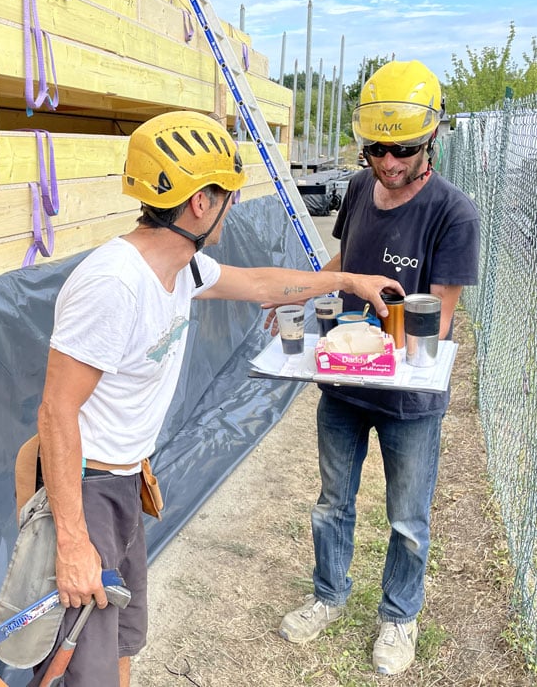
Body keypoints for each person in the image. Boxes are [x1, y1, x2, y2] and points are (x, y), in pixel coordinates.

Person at [31, 110, 404, 686]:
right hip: (86, 488)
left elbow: (257, 285)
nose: (232, 206)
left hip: (125, 479)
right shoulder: (113, 284)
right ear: (199, 202)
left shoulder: (181, 266)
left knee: (123, 640)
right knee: (83, 666)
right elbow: (56, 412)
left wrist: (346, 281)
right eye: (227, 195)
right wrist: (73, 540)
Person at [276, 60, 480, 676]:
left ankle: (398, 617)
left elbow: (437, 320)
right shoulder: (362, 188)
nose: (387, 163)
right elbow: (346, 257)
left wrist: (369, 344)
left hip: (406, 399)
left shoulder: (454, 214)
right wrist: (310, 294)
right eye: (375, 149)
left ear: (431, 141)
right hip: (344, 382)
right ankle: (328, 596)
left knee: (407, 519)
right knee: (332, 501)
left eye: (403, 150)